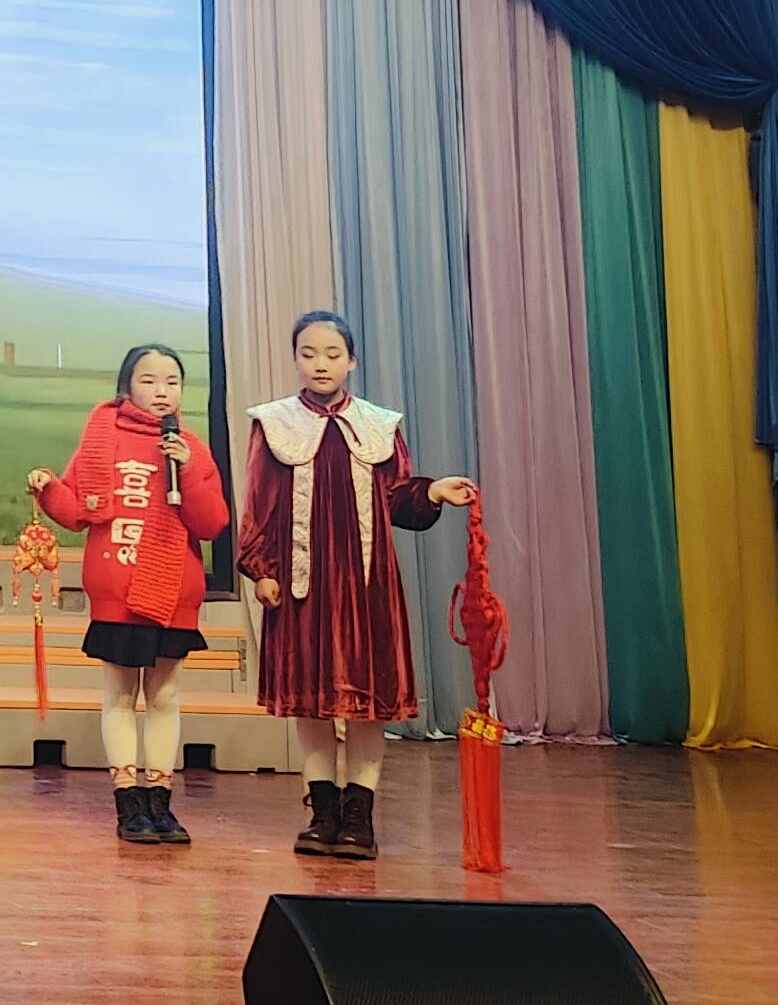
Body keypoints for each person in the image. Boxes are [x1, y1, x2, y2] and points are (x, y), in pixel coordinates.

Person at [239, 308, 474, 861]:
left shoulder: (378, 425)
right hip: (301, 583)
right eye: (308, 353)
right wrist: (262, 569)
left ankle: (359, 815)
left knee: (368, 701)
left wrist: (433, 491)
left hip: (366, 587)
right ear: (295, 359)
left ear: (352, 361)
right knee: (312, 703)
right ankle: (321, 811)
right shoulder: (274, 423)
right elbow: (258, 503)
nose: (320, 364)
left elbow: (397, 499)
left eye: (332, 354)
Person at [30, 339, 230, 846]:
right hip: (117, 589)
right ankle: (128, 801)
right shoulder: (101, 437)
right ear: (126, 387)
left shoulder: (190, 445)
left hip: (173, 590)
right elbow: (77, 510)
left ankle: (161, 801)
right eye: (149, 380)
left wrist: (186, 466)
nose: (162, 391)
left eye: (172, 381)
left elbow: (211, 523)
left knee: (164, 696)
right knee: (120, 696)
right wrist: (47, 488)